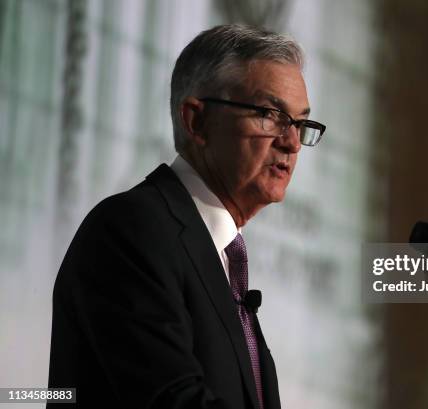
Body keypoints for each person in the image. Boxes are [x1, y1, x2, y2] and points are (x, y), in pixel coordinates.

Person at [47, 24, 326, 409]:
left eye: (299, 123)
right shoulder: (132, 229)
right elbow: (172, 401)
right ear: (197, 121)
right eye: (269, 114)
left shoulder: (221, 257)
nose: (292, 142)